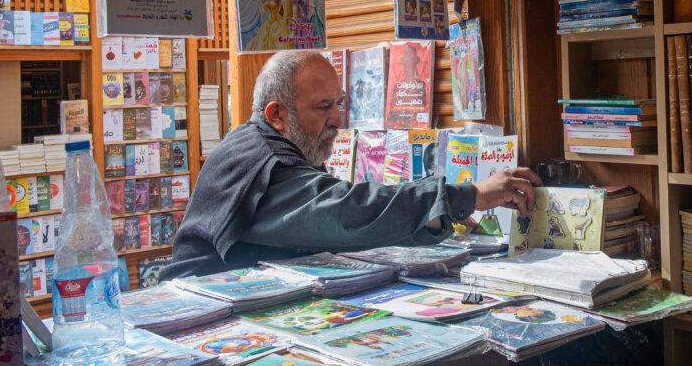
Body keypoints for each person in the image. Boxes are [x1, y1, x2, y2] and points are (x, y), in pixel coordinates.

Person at [162, 50, 539, 279]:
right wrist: (466, 195)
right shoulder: (266, 162)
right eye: (323, 107)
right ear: (277, 114)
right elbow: (347, 212)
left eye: (339, 103)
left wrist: (439, 217)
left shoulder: (269, 145)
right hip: (200, 311)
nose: (337, 120)